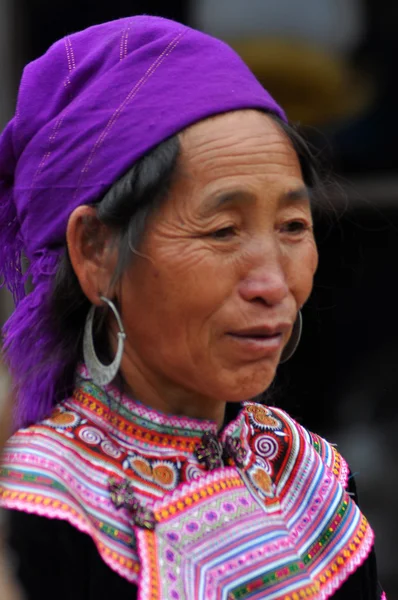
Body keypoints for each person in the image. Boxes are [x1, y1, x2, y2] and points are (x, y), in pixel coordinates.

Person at [0, 15, 385, 600]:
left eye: (292, 226)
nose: (273, 282)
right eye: (224, 230)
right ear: (96, 250)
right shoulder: (40, 505)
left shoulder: (306, 471)